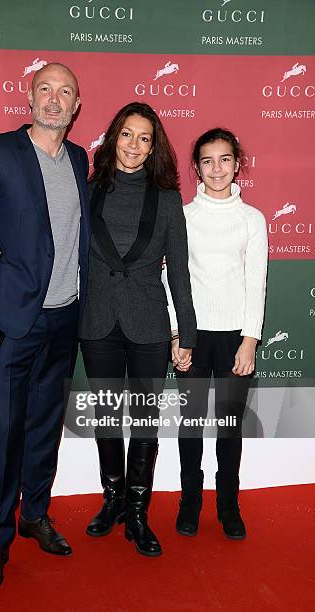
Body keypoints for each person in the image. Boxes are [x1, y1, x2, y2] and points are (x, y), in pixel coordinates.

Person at [0, 63, 90, 594]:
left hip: (65, 316)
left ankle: (34, 515)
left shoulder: (81, 160)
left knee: (44, 429)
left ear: (77, 105)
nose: (54, 101)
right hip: (10, 321)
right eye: (45, 90)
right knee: (6, 434)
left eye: (65, 93)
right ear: (28, 95)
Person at [79, 102, 197, 557]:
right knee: (108, 416)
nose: (133, 145)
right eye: (127, 134)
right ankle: (112, 501)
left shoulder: (166, 199)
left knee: (145, 421)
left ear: (154, 147)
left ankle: (138, 512)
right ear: (113, 139)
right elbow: (55, 239)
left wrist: (185, 334)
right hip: (97, 320)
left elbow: (181, 272)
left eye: (144, 138)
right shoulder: (88, 189)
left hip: (149, 322)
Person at [162, 127, 268, 540]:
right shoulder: (182, 218)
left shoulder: (252, 220)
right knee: (189, 425)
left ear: (238, 163)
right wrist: (176, 335)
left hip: (234, 340)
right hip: (191, 334)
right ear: (196, 168)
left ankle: (228, 505)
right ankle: (191, 502)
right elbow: (173, 279)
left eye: (225, 159)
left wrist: (249, 340)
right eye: (207, 160)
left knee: (228, 427)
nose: (217, 168)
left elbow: (256, 281)